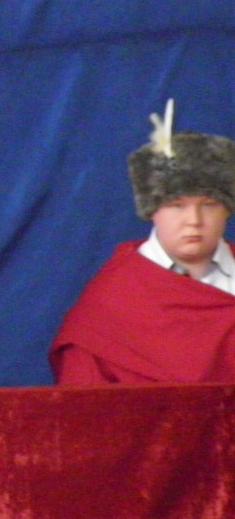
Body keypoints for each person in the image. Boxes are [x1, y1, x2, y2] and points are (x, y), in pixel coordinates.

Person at [50, 100, 235, 384]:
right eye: (176, 205)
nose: (194, 220)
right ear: (152, 210)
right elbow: (85, 402)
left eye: (209, 204)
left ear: (227, 209)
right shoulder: (109, 300)